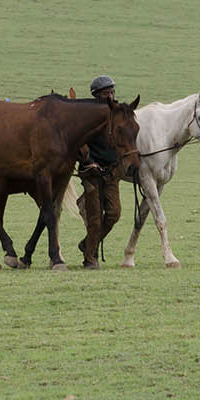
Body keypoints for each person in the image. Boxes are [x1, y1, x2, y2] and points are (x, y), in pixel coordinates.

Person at [78, 74, 125, 267]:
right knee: (95, 218)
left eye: (113, 92)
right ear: (97, 96)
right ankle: (90, 259)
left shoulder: (118, 114)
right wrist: (89, 161)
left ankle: (87, 243)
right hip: (91, 173)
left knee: (114, 213)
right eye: (107, 93)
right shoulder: (87, 117)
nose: (111, 96)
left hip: (111, 173)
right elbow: (79, 143)